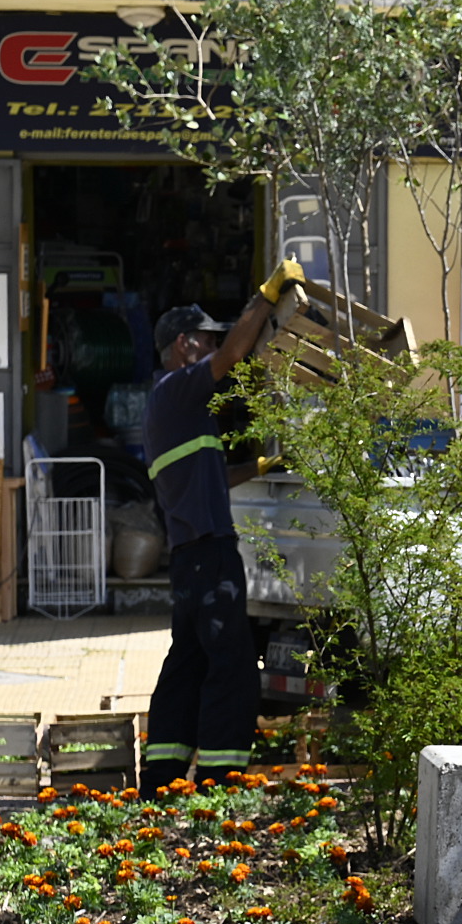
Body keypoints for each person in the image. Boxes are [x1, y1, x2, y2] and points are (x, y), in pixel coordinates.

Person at [143, 262, 299, 784]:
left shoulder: (169, 408)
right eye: (204, 340)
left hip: (190, 560)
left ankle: (161, 777)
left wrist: (257, 468)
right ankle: (221, 781)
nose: (214, 349)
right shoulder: (179, 390)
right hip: (210, 555)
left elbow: (204, 475)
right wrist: (266, 295)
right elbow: (234, 352)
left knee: (186, 665)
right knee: (231, 666)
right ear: (183, 345)